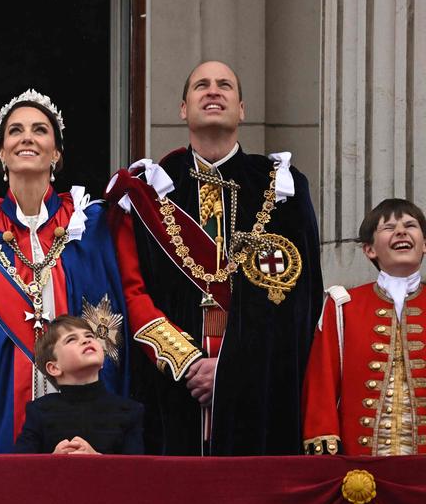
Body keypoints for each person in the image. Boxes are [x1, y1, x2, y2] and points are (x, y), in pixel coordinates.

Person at [106, 60, 323, 455]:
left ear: (241, 108)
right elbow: (131, 291)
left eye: (225, 85)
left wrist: (230, 370)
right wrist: (187, 363)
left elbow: (297, 300)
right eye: (201, 85)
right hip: (170, 387)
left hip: (258, 390)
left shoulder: (283, 188)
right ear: (183, 108)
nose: (213, 90)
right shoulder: (148, 190)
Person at [0, 90, 130, 453]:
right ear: (2, 154)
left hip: (83, 397)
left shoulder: (89, 223)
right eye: (15, 131)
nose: (27, 137)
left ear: (56, 153)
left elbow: (115, 317)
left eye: (40, 130)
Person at [302, 198, 426, 456]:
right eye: (389, 227)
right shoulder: (342, 306)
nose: (401, 231)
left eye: (410, 225)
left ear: (424, 244)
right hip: (361, 469)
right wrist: (323, 443)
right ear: (369, 249)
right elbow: (322, 379)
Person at [13, 315, 143, 455]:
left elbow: (137, 473)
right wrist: (52, 460)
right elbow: (21, 469)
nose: (86, 340)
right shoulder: (39, 411)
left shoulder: (129, 411)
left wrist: (98, 460)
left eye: (89, 336)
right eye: (71, 339)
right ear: (54, 368)